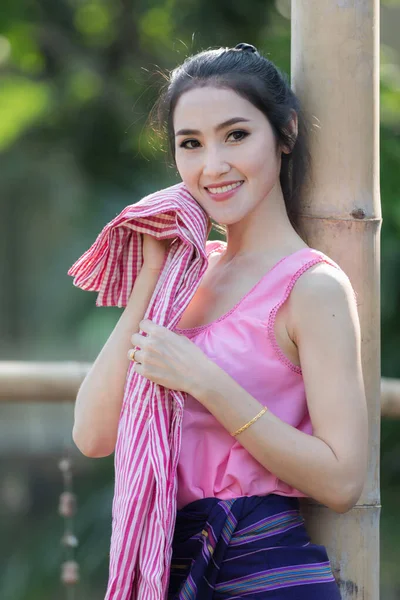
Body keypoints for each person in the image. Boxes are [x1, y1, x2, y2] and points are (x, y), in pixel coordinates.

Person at [74, 43, 368, 599]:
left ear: (285, 134)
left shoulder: (311, 287)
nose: (213, 166)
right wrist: (151, 278)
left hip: (264, 571)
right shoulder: (186, 277)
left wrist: (205, 381)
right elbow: (91, 434)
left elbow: (341, 479)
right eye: (191, 144)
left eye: (236, 135)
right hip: (170, 562)